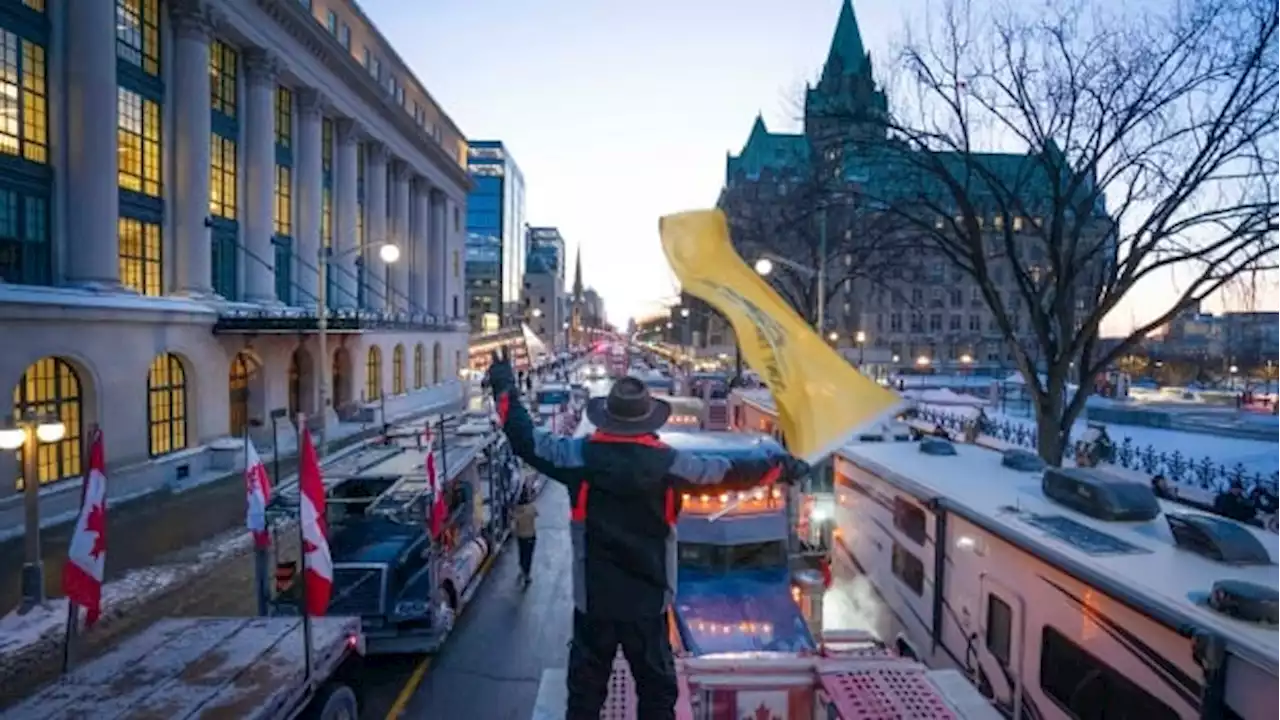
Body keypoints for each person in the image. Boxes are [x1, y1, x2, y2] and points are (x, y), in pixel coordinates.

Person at [485, 349, 809, 720]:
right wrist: (781, 467)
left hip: (596, 603)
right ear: (646, 421)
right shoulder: (670, 464)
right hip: (649, 603)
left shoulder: (579, 457)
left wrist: (505, 386)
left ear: (607, 419)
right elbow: (728, 472)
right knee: (656, 696)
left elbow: (527, 441)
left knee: (585, 696)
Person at [513, 486, 538, 586]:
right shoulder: (531, 508)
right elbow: (536, 514)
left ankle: (522, 569)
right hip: (531, 535)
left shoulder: (517, 510)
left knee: (522, 553)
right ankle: (526, 575)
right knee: (528, 556)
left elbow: (514, 521)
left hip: (520, 536)